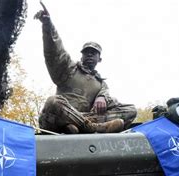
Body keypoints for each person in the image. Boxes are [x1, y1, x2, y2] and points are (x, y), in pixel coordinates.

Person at [34, 3, 137, 134]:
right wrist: (48, 25)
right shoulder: (69, 69)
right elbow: (55, 52)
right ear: (81, 56)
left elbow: (112, 102)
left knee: (131, 109)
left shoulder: (101, 84)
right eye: (86, 52)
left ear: (99, 59)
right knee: (52, 101)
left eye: (93, 53)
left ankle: (75, 126)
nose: (89, 54)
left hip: (84, 119)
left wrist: (102, 98)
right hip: (54, 121)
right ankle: (91, 127)